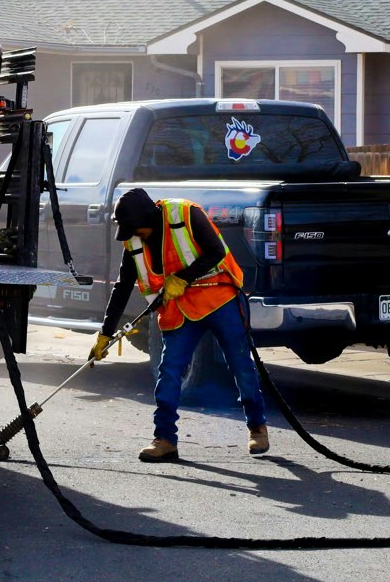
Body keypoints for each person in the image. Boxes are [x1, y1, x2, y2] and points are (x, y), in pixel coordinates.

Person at [95, 187, 268, 462]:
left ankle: (256, 427)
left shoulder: (186, 214)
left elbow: (216, 252)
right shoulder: (134, 239)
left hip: (218, 297)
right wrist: (105, 334)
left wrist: (184, 277)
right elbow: (123, 286)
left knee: (239, 363)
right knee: (170, 371)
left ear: (148, 219)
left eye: (135, 229)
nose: (133, 235)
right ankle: (164, 439)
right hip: (178, 307)